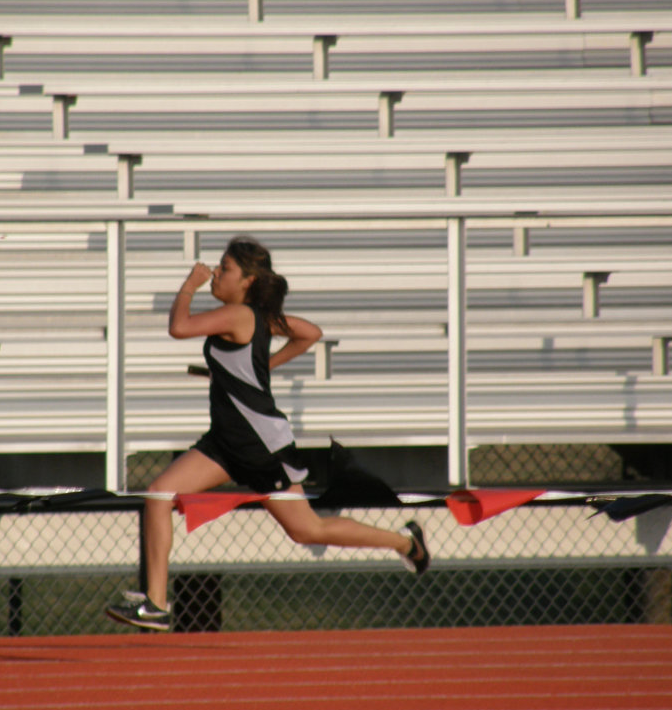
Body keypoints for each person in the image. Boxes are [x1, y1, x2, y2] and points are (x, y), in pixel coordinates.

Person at [105, 236, 430, 632]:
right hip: (225, 444)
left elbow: (178, 327)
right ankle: (156, 604)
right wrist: (262, 368)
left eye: (225, 269)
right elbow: (309, 332)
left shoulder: (239, 315)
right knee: (158, 494)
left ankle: (407, 543)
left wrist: (189, 284)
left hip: (260, 448)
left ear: (247, 280)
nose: (216, 274)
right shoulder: (255, 316)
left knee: (307, 529)